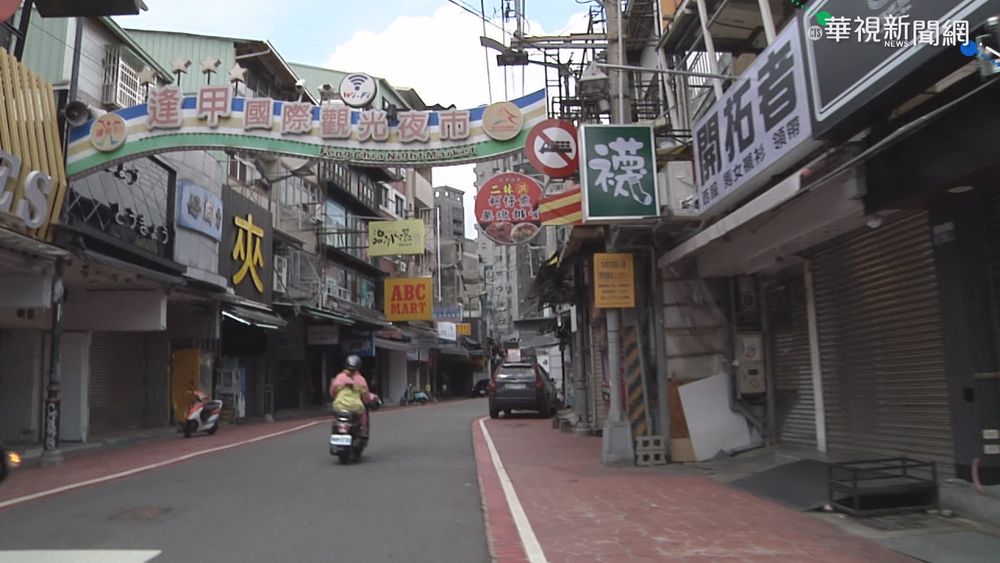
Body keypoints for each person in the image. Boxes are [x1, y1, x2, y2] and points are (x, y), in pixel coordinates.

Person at [329, 355, 376, 436]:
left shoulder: (339, 377)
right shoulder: (360, 379)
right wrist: (368, 400)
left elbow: (332, 392)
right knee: (363, 414)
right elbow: (366, 395)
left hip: (339, 405)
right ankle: (362, 430)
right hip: (356, 407)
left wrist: (336, 398)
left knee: (337, 417)